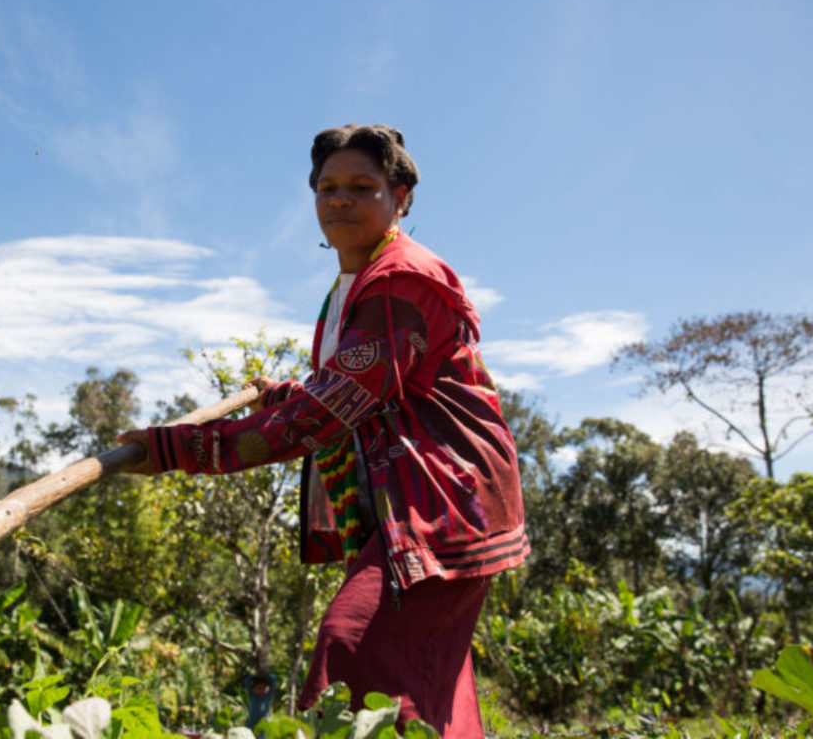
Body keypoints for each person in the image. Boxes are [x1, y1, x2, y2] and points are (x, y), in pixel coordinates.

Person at [119, 124, 528, 737]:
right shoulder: (356, 283)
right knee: (421, 673)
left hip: (443, 500)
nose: (340, 200)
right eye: (327, 188)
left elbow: (326, 412)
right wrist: (286, 394)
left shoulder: (400, 282)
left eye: (362, 187)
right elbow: (361, 386)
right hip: (426, 495)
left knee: (354, 654)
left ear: (402, 197)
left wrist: (180, 448)